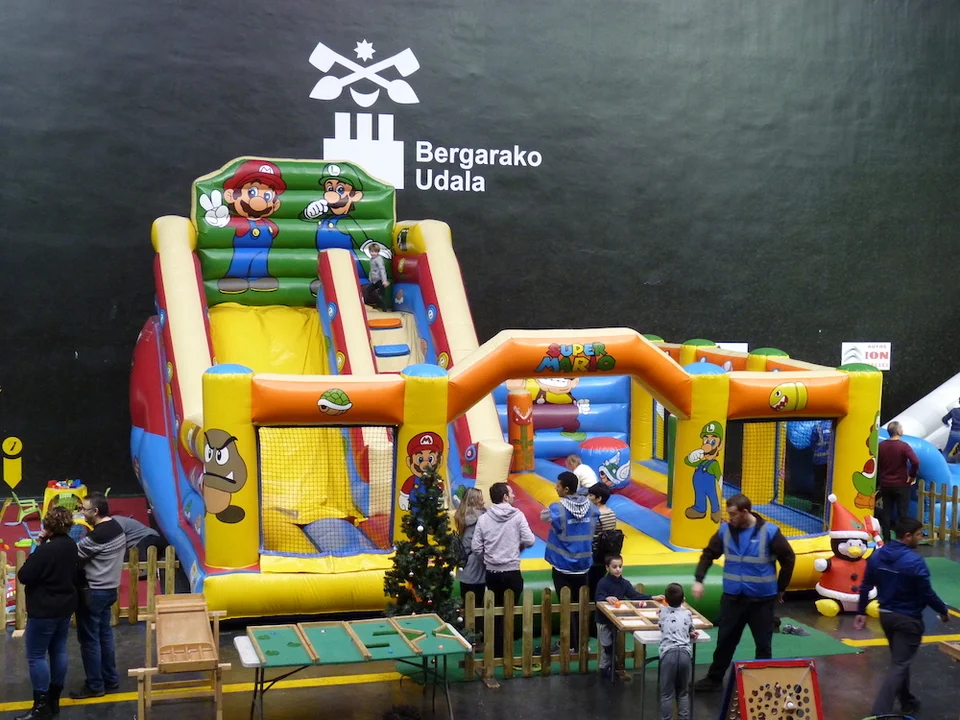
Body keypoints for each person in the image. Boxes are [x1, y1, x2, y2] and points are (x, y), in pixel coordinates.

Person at [692, 493, 795, 691]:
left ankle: (763, 683)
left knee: (763, 644)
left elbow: (788, 559)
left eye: (733, 514)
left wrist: (781, 588)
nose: (729, 518)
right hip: (733, 598)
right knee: (725, 641)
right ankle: (714, 679)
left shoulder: (770, 532)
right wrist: (699, 579)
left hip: (761, 601)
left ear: (745, 512)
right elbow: (708, 554)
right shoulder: (725, 531)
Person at [854, 516, 949, 717]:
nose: (921, 538)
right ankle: (879, 713)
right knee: (899, 664)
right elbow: (927, 593)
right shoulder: (915, 562)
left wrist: (861, 611)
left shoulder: (877, 556)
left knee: (900, 659)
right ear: (907, 536)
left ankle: (907, 701)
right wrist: (942, 610)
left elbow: (865, 585)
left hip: (886, 617)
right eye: (918, 534)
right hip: (908, 620)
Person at [15, 507, 79, 720]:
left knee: (36, 655)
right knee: (59, 650)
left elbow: (25, 575)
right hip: (65, 606)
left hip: (43, 609)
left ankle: (41, 704)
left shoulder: (45, 550)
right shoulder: (71, 545)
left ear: (47, 526)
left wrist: (37, 544)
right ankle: (53, 700)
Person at [70, 493, 126, 700]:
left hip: (93, 592)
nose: (81, 513)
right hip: (109, 590)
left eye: (84, 509)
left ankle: (95, 685)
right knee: (105, 636)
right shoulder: (117, 527)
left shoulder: (97, 536)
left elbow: (73, 555)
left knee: (89, 641)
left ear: (95, 511)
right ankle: (110, 680)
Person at [472, 482, 535, 657]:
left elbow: (476, 547)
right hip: (512, 572)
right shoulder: (518, 516)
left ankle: (495, 650)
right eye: (511, 493)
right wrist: (517, 545)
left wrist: (487, 560)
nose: (514, 496)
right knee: (510, 612)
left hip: (492, 573)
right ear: (505, 497)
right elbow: (530, 540)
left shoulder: (484, 519)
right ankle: (506, 650)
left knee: (495, 611)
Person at [540, 471, 599, 653]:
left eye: (558, 485)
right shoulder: (591, 507)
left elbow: (543, 516)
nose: (555, 488)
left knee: (567, 606)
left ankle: (571, 645)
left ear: (566, 489)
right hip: (583, 565)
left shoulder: (557, 509)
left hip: (562, 566)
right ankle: (582, 643)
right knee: (581, 606)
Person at [594, 555, 651, 679]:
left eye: (620, 566)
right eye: (614, 567)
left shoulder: (624, 583)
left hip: (616, 621)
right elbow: (598, 599)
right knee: (607, 646)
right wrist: (606, 598)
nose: (618, 569)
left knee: (615, 645)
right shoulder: (603, 582)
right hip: (603, 621)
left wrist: (652, 597)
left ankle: (612, 669)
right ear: (607, 568)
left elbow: (635, 595)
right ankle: (605, 668)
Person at [877, 421, 920, 543]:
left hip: (886, 484)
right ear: (898, 431)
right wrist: (912, 475)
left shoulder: (881, 446)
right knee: (902, 514)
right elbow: (915, 461)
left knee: (886, 512)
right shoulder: (904, 446)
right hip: (901, 484)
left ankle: (886, 538)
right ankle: (902, 539)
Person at [659, 583, 696, 720]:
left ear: (666, 600)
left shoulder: (662, 612)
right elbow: (691, 629)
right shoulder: (687, 613)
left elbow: (661, 625)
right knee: (683, 693)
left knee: (667, 694)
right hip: (685, 654)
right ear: (683, 600)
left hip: (668, 654)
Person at [586, 483, 619, 608]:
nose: (588, 498)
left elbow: (589, 534)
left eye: (591, 495)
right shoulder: (611, 513)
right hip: (607, 554)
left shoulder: (595, 515)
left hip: (594, 555)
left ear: (598, 498)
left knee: (591, 586)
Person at [453, 488, 486, 608]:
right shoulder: (481, 519)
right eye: (481, 499)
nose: (484, 502)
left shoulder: (463, 516)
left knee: (466, 605)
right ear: (474, 501)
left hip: (465, 567)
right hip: (476, 568)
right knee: (477, 606)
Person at [113, 515, 166, 579]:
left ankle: (147, 569)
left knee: (142, 545)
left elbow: (119, 541)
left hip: (149, 537)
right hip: (136, 545)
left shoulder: (116, 521)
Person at [362, 242, 390, 310]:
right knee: (367, 291)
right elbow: (372, 270)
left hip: (380, 280)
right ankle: (376, 303)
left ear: (378, 252)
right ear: (369, 251)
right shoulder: (372, 259)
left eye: (375, 252)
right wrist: (370, 278)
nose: (373, 253)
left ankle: (384, 309)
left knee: (381, 295)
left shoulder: (378, 259)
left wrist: (384, 280)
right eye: (372, 251)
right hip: (375, 281)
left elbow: (382, 269)